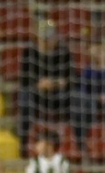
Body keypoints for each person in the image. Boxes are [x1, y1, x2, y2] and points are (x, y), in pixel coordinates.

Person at [17, 21, 72, 152]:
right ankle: (25, 144)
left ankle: (76, 143)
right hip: (36, 92)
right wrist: (38, 84)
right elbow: (24, 79)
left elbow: (70, 78)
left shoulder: (63, 52)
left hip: (58, 92)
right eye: (44, 38)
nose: (47, 41)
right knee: (25, 98)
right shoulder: (29, 53)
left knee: (77, 99)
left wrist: (54, 83)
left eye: (50, 38)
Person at [73, 41, 105, 150]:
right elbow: (83, 89)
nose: (100, 55)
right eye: (98, 52)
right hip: (91, 98)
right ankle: (91, 135)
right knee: (88, 105)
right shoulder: (88, 70)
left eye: (103, 52)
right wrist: (96, 96)